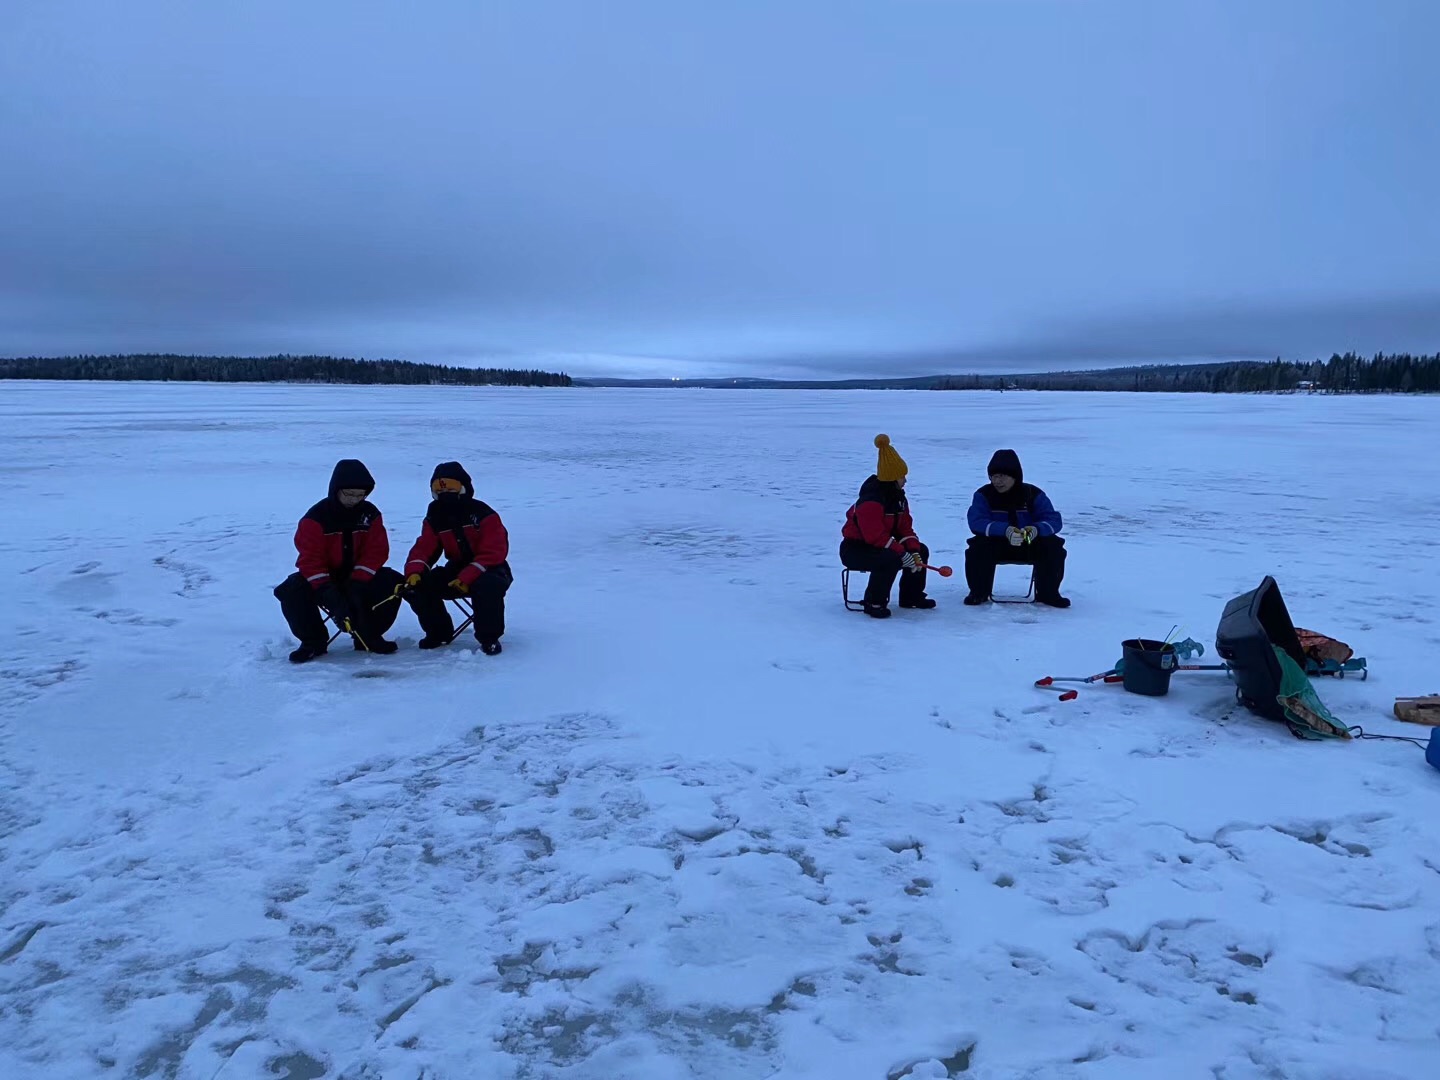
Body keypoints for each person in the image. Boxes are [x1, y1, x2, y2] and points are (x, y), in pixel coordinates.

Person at [275, 459, 403, 662]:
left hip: (358, 575)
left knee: (394, 581)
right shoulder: (315, 518)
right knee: (291, 590)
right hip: (324, 578)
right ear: (335, 490)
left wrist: (358, 582)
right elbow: (310, 560)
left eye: (360, 495)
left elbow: (376, 551)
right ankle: (313, 642)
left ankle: (368, 636)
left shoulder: (370, 514)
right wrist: (327, 592)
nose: (354, 499)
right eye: (349, 494)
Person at [399, 461, 513, 655]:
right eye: (439, 489)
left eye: (451, 488)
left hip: (491, 568)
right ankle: (439, 633)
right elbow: (424, 547)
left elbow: (494, 552)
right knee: (417, 587)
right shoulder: (435, 516)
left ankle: (489, 637)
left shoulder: (483, 513)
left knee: (487, 586)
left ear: (464, 488)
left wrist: (466, 577)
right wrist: (414, 572)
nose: (445, 494)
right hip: (456, 568)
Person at [839, 434, 934, 618]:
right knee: (889, 558)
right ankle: (874, 602)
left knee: (921, 550)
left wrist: (912, 550)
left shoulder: (899, 499)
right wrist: (901, 553)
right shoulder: (871, 501)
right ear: (892, 479)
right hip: (856, 549)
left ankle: (911, 597)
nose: (905, 481)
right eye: (901, 477)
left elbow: (905, 528)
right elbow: (874, 536)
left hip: (884, 545)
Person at [964, 449, 1069, 608]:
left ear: (1015, 476)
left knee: (1054, 546)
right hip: (997, 544)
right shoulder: (983, 494)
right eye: (994, 476)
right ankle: (978, 593)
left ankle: (1049, 594)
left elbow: (1053, 520)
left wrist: (1036, 529)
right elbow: (976, 521)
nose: (997, 481)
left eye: (1003, 476)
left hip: (1029, 543)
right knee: (977, 547)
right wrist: (1005, 530)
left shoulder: (1033, 493)